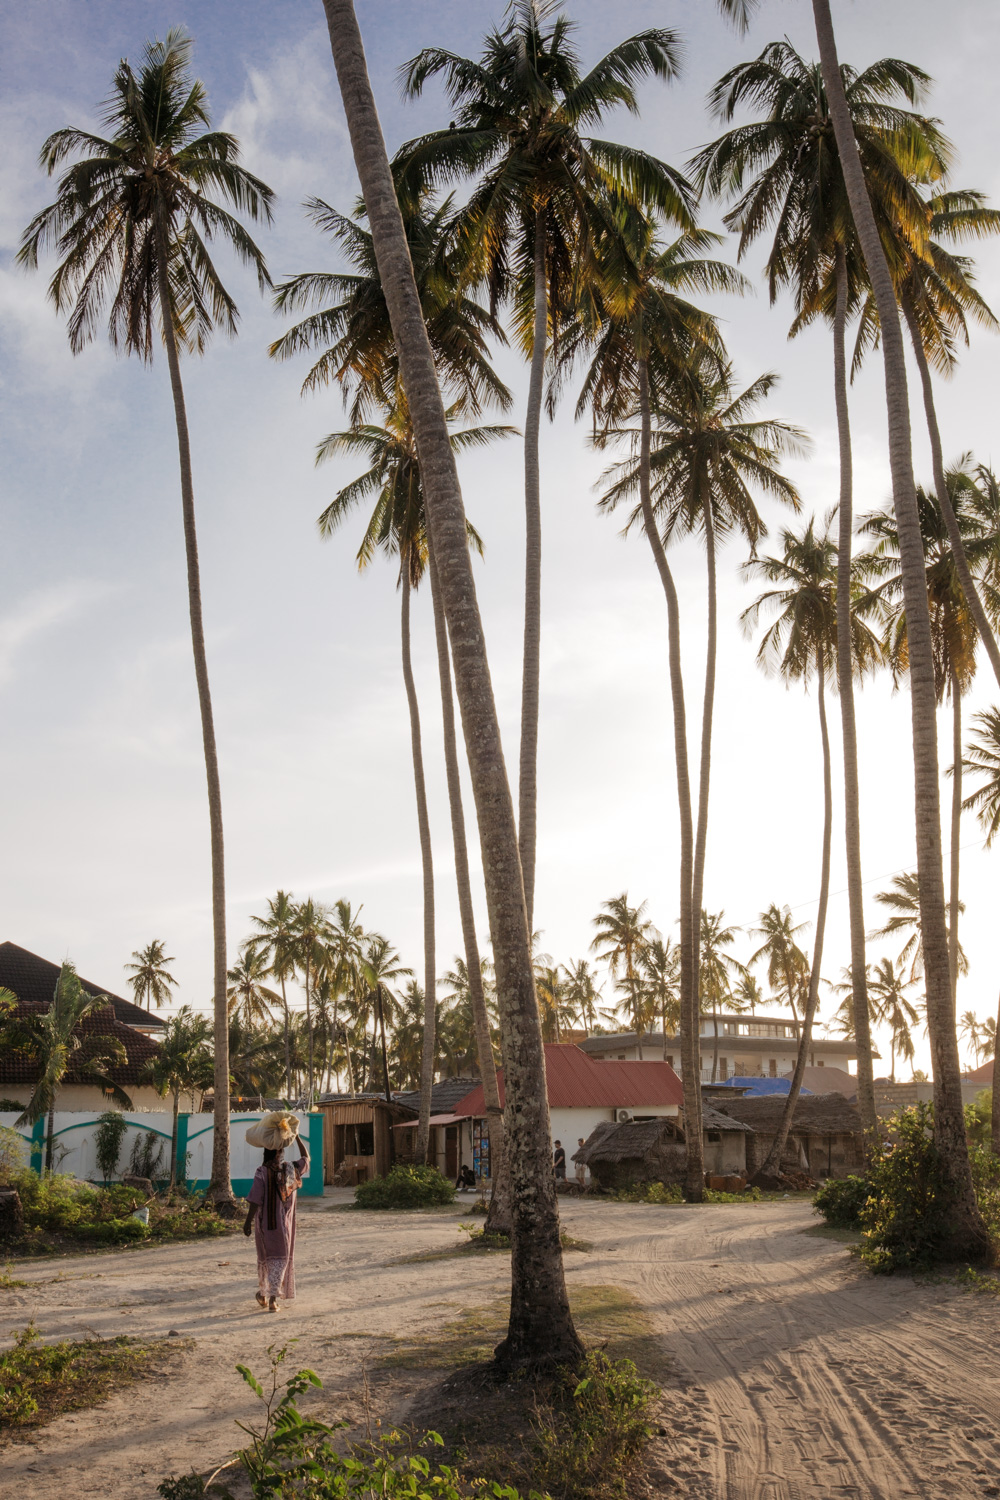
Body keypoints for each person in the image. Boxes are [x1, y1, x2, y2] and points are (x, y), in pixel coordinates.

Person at [244, 1129, 309, 1312]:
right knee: (281, 1259)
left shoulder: (262, 1172)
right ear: (279, 1154)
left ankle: (265, 1294)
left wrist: (248, 1222)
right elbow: (306, 1158)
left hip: (265, 1226)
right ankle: (272, 1298)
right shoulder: (289, 1169)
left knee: (266, 1258)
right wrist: (297, 1136)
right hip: (284, 1227)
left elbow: (255, 1199)